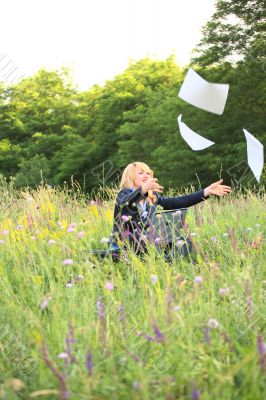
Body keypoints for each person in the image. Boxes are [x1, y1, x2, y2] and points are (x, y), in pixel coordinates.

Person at [111, 161, 231, 258]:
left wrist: (205, 192)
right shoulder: (123, 194)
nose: (146, 175)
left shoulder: (152, 197)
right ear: (130, 177)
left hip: (147, 242)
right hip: (126, 244)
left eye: (148, 173)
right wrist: (142, 190)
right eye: (141, 173)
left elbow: (178, 202)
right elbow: (127, 203)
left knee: (184, 243)